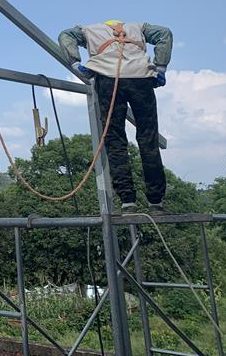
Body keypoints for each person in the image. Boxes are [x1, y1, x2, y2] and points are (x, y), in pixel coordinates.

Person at [58, 21, 173, 214]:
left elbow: (65, 36)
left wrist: (75, 63)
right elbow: (164, 33)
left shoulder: (87, 31)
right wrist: (160, 67)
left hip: (108, 79)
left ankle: (128, 201)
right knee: (148, 138)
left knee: (115, 140)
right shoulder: (139, 27)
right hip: (141, 78)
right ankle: (156, 201)